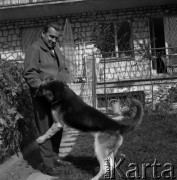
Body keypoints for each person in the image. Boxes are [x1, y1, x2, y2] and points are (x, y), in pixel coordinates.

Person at [24, 22, 71, 176]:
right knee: (45, 130)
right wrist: (44, 88)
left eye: (56, 37)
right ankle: (47, 165)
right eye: (51, 36)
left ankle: (55, 156)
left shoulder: (55, 49)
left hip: (57, 97)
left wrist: (63, 82)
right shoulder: (34, 49)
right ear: (43, 33)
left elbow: (63, 68)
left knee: (58, 126)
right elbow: (30, 74)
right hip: (42, 98)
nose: (54, 40)